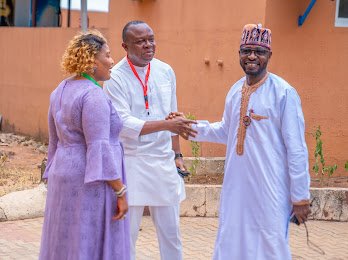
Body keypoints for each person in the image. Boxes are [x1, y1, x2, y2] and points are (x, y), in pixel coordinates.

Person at [171, 23, 311, 259]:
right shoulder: (235, 90)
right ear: (239, 54)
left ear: (269, 55)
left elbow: (296, 149)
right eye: (246, 50)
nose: (252, 56)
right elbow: (227, 130)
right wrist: (190, 127)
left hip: (270, 190)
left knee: (270, 245)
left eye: (259, 51)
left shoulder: (284, 93)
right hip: (236, 189)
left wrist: (300, 197)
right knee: (232, 243)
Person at [104, 21, 196, 260]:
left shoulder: (166, 71)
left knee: (171, 234)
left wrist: (178, 155)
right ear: (125, 46)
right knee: (127, 234)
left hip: (164, 162)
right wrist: (167, 125)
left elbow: (173, 114)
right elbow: (123, 123)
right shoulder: (114, 77)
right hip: (131, 162)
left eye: (151, 39)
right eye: (140, 41)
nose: (148, 45)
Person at [39, 30, 130, 260]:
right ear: (92, 61)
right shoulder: (93, 96)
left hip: (63, 175)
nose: (112, 62)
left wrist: (52, 173)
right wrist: (120, 190)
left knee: (65, 239)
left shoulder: (59, 90)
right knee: (86, 240)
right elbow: (98, 148)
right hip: (89, 181)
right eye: (107, 56)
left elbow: (54, 141)